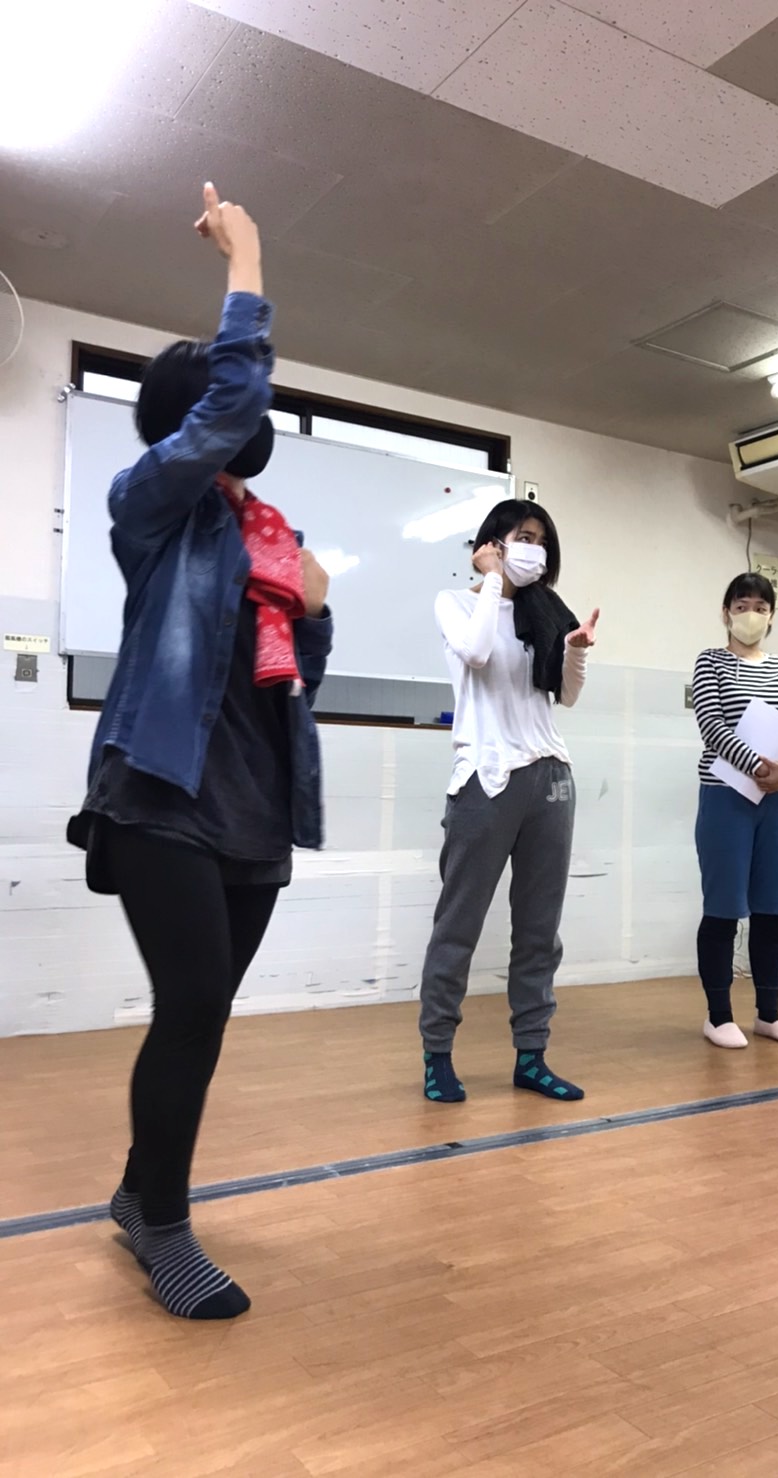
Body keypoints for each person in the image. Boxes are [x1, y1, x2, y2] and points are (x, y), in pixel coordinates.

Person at [66, 185, 334, 1321]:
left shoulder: (269, 539)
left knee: (204, 1015)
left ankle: (141, 1192)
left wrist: (315, 611)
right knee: (188, 1007)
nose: (242, 423)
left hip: (253, 811)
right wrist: (247, 256)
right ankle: (165, 1226)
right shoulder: (150, 506)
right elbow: (231, 403)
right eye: (222, 406)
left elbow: (293, 686)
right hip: (159, 798)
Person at [417, 500, 599, 1104]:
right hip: (484, 778)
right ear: (492, 542)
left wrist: (576, 648)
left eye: (542, 541)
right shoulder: (456, 603)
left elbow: (565, 696)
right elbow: (475, 652)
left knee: (540, 931)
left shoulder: (543, 610)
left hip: (550, 778)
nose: (534, 550)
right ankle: (437, 1055)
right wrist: (493, 579)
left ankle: (532, 1056)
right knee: (458, 925)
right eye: (523, 537)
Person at [691, 572, 778, 1049]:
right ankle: (719, 1015)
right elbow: (712, 725)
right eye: (742, 605)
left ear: (772, 615)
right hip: (726, 794)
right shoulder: (710, 661)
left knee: (773, 907)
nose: (751, 614)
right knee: (723, 907)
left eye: (761, 607)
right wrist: (757, 765)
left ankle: (769, 1014)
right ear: (726, 613)